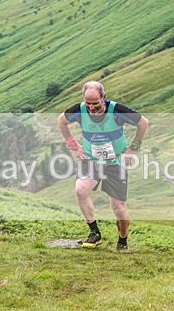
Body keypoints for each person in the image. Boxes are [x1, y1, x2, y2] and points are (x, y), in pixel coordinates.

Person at [56, 81, 149, 250]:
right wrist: (74, 145)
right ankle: (94, 233)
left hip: (115, 162)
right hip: (91, 159)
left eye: (95, 103)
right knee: (80, 190)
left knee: (118, 208)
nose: (91, 107)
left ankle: (122, 240)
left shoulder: (116, 110)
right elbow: (61, 121)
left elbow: (143, 122)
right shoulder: (79, 109)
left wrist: (133, 148)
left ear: (103, 97)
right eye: (88, 103)